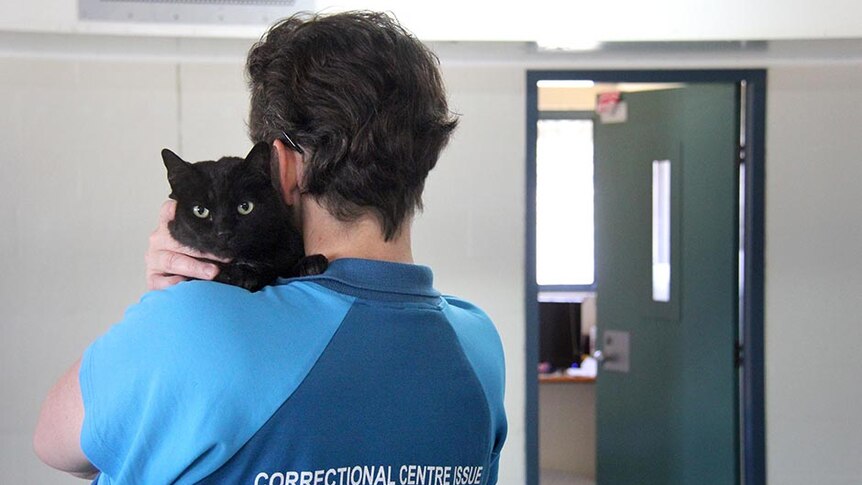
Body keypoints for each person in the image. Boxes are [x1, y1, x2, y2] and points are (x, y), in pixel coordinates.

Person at [33, 10, 507, 484]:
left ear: (282, 165)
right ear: (425, 158)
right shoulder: (481, 348)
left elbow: (54, 443)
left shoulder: (194, 328)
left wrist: (171, 306)